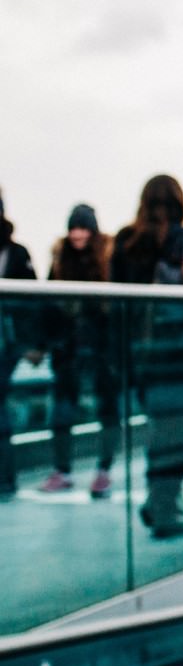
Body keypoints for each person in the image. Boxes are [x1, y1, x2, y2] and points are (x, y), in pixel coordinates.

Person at [111, 175, 183, 535]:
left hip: (145, 358)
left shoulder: (125, 244)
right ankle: (162, 509)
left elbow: (115, 305)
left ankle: (159, 501)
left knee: (159, 431)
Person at [38, 204, 120, 498]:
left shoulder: (107, 259)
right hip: (69, 348)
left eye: (83, 228)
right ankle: (64, 470)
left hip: (100, 349)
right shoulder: (60, 260)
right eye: (73, 228)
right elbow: (48, 304)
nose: (77, 234)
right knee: (63, 410)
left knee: (106, 408)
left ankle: (103, 470)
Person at [0, 191, 41, 500]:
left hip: (7, 343)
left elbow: (31, 302)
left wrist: (32, 343)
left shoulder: (15, 253)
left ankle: (5, 479)